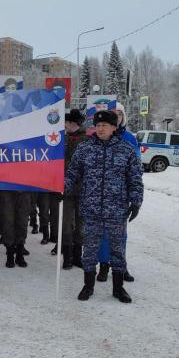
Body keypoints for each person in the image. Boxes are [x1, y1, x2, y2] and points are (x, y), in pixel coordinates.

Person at [65, 110, 143, 303]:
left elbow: (135, 178)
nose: (100, 129)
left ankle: (118, 288)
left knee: (117, 250)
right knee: (90, 249)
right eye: (98, 125)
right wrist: (61, 188)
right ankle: (88, 286)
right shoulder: (85, 148)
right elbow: (72, 173)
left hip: (117, 209)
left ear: (114, 128)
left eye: (104, 126)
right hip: (91, 208)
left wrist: (136, 201)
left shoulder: (126, 150)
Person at [97, 102, 142, 282]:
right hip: (99, 195)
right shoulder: (97, 139)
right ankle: (103, 265)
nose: (117, 117)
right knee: (102, 234)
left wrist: (135, 198)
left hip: (120, 196)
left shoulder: (129, 139)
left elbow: (136, 170)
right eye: (114, 114)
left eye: (120, 115)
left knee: (120, 234)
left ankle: (120, 266)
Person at [54, 109, 87, 269]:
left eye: (66, 122)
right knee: (66, 224)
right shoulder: (61, 139)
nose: (64, 124)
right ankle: (67, 256)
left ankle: (77, 256)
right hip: (65, 190)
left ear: (72, 123)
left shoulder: (87, 140)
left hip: (83, 190)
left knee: (81, 225)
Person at [0, 191, 31, 268]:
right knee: (8, 223)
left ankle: (19, 254)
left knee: (22, 223)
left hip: (24, 189)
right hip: (7, 189)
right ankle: (10, 255)